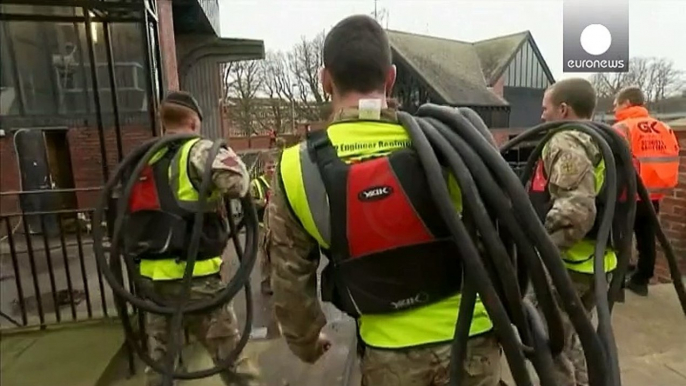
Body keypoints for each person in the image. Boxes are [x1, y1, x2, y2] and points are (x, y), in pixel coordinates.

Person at [267, 15, 501, 386]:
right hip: (473, 342)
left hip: (389, 356)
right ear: (391, 77)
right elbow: (503, 230)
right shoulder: (451, 143)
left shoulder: (295, 167)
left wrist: (306, 341)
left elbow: (288, 277)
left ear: (324, 79)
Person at [124, 91, 256, 386]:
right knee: (232, 359)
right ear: (194, 121)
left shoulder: (143, 157)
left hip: (151, 283)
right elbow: (239, 184)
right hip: (197, 280)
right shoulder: (199, 151)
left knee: (160, 365)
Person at [533, 77, 618, 386]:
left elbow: (577, 210)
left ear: (564, 109)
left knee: (549, 341)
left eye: (546, 108)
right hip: (597, 263)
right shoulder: (607, 138)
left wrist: (543, 257)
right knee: (577, 339)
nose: (542, 116)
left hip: (568, 265)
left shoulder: (566, 140)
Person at [612, 86, 681, 296]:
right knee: (646, 236)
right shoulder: (663, 127)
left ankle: (617, 286)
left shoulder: (622, 128)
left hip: (627, 194)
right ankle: (642, 280)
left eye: (616, 104)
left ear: (627, 103)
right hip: (654, 193)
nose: (614, 108)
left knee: (620, 239)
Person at [250, 159, 275, 295]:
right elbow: (248, 202)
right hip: (261, 225)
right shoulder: (256, 184)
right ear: (263, 168)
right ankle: (265, 283)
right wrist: (263, 202)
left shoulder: (278, 182)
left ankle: (277, 282)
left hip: (277, 224)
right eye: (268, 167)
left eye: (273, 167)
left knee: (278, 254)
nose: (271, 170)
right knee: (265, 255)